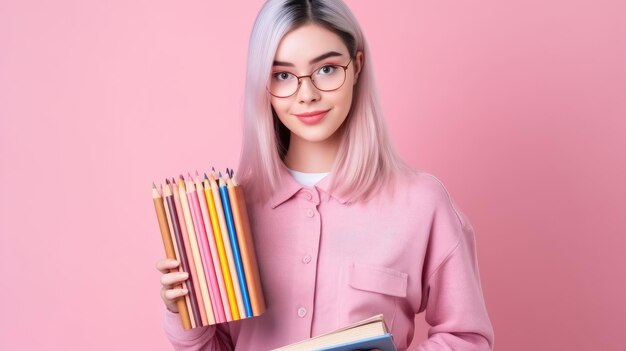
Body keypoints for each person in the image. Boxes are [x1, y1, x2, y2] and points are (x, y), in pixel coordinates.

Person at [156, 0, 495, 350]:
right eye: (283, 75)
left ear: (357, 66)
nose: (307, 95)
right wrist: (182, 312)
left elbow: (466, 339)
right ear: (263, 84)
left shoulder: (422, 204)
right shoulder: (225, 213)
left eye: (327, 69)